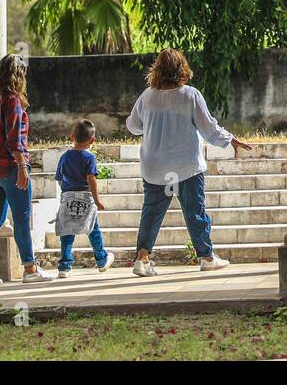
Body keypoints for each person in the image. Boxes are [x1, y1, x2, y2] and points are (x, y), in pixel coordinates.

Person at [128, 49, 252, 276]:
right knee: (195, 211)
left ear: (156, 69)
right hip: (186, 166)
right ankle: (206, 257)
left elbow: (133, 126)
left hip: (155, 167)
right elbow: (208, 128)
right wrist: (231, 140)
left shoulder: (147, 96)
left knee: (151, 212)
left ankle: (142, 259)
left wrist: (153, 125)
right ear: (181, 68)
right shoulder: (190, 95)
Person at [0, 54, 54, 284]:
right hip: (10, 168)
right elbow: (14, 139)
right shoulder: (12, 100)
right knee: (21, 218)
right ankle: (30, 269)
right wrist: (22, 167)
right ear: (18, 75)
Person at [54, 119, 115, 278]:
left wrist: (66, 191)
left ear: (71, 137)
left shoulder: (64, 157)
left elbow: (59, 178)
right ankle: (101, 260)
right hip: (86, 197)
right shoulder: (89, 158)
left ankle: (64, 267)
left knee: (67, 231)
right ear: (92, 140)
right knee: (93, 229)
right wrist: (97, 200)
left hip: (67, 196)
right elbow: (91, 179)